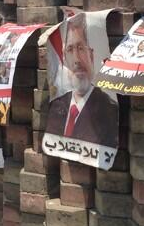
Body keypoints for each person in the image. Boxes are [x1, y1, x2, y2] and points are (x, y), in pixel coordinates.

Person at [45, 15, 118, 148]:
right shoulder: (57, 106)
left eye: (80, 48)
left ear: (91, 55)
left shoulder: (108, 108)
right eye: (70, 50)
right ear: (65, 59)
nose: (77, 59)